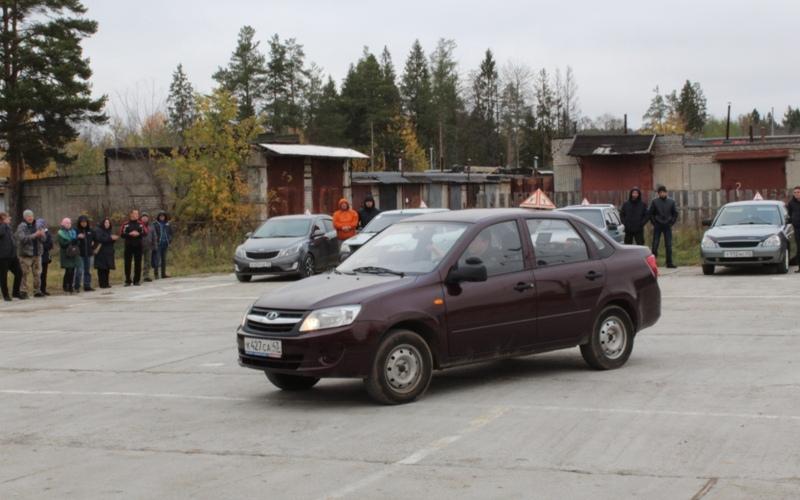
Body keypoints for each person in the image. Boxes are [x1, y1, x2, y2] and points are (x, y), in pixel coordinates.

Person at [15, 209, 45, 299]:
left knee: (37, 273)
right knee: (24, 273)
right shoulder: (21, 227)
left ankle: (37, 291)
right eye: (28, 216)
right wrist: (35, 235)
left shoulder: (38, 225)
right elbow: (22, 239)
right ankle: (23, 291)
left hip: (37, 253)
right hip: (26, 254)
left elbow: (44, 240)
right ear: (24, 217)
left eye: (31, 216)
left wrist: (42, 235)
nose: (30, 218)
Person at [648, 186, 678, 269]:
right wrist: (654, 223)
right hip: (658, 225)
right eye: (660, 192)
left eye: (663, 192)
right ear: (658, 194)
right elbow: (651, 213)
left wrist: (671, 223)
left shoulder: (671, 202)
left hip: (667, 226)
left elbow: (675, 213)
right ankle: (653, 263)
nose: (662, 194)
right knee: (655, 244)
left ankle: (669, 262)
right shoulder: (654, 202)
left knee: (668, 245)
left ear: (666, 192)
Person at [0, 212, 22, 302]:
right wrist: (3, 224)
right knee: (3, 276)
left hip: (12, 256)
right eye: (8, 217)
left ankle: (15, 292)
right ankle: (5, 295)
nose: (10, 218)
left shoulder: (8, 227)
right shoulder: (2, 227)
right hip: (3, 257)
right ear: (2, 219)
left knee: (19, 273)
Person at [121, 209, 144, 286]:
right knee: (127, 263)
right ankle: (128, 280)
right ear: (131, 214)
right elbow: (122, 234)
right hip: (128, 246)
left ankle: (136, 280)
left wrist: (138, 234)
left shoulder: (141, 224)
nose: (137, 215)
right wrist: (129, 234)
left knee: (138, 263)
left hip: (138, 246)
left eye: (137, 214)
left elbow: (145, 232)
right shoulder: (126, 224)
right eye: (135, 213)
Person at [94, 217, 119, 288]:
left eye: (108, 223)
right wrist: (110, 238)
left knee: (107, 269)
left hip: (109, 252)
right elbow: (100, 239)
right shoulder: (98, 230)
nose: (107, 224)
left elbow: (110, 241)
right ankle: (102, 284)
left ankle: (106, 283)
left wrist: (114, 239)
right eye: (106, 222)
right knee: (101, 268)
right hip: (101, 252)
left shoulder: (109, 231)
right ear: (103, 223)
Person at [57, 218, 80, 293]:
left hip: (73, 253)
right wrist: (71, 241)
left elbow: (77, 242)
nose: (68, 224)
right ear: (63, 224)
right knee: (68, 270)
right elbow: (62, 244)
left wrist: (76, 240)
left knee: (72, 270)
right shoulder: (60, 233)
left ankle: (70, 286)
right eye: (67, 223)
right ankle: (65, 285)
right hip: (66, 254)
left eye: (69, 223)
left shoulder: (73, 232)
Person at [74, 215, 95, 292]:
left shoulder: (90, 230)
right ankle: (76, 286)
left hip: (89, 254)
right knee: (79, 271)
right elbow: (72, 241)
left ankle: (87, 285)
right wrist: (77, 237)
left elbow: (96, 239)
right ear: (79, 223)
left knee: (88, 271)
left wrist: (93, 245)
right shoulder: (76, 230)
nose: (84, 223)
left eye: (85, 222)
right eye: (82, 222)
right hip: (80, 254)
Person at [140, 211, 160, 282]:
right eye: (143, 217)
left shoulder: (151, 226)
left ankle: (146, 276)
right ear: (141, 218)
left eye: (146, 217)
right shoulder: (139, 225)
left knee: (147, 262)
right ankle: (137, 276)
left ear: (148, 218)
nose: (144, 218)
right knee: (138, 262)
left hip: (149, 246)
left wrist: (155, 246)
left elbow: (154, 236)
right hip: (139, 246)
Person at [37, 218, 53, 296]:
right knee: (38, 274)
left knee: (44, 274)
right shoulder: (36, 232)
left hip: (45, 256)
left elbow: (50, 245)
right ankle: (38, 290)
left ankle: (43, 289)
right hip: (37, 256)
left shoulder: (47, 233)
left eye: (42, 225)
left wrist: (42, 247)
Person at [155, 211, 172, 278]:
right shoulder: (155, 224)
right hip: (158, 244)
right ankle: (156, 274)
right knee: (157, 259)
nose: (162, 217)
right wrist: (155, 241)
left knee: (164, 260)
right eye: (160, 216)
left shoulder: (168, 224)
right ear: (158, 217)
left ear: (165, 217)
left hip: (165, 244)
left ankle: (163, 274)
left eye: (163, 216)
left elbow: (171, 233)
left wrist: (169, 240)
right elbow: (154, 234)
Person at [787, 186, 800, 273]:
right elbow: (789, 214)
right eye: (795, 192)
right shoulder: (791, 203)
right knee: (799, 247)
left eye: (798, 192)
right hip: (797, 228)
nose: (796, 194)